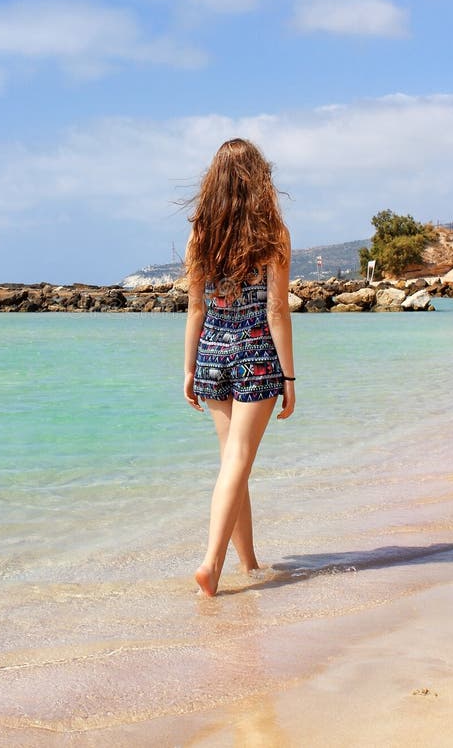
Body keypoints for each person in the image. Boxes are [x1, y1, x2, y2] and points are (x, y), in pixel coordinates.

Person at [183, 138, 295, 597]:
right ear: (259, 179)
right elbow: (277, 311)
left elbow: (195, 308)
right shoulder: (273, 233)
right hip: (254, 359)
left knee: (234, 462)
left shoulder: (201, 234)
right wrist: (289, 377)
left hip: (211, 356)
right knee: (238, 463)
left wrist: (188, 370)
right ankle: (211, 563)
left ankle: (249, 563)